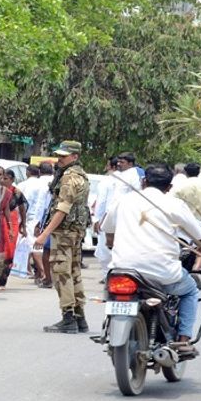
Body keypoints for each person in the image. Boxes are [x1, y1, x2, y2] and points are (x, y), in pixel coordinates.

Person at [102, 164, 201, 354]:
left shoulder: (123, 201)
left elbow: (108, 234)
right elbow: (198, 236)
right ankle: (184, 340)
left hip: (122, 270)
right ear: (169, 187)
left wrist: (113, 244)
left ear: (144, 182)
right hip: (162, 273)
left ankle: (108, 330)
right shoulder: (175, 204)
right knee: (190, 291)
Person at [34, 141, 91, 334]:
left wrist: (44, 235)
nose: (59, 159)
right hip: (74, 232)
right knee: (74, 272)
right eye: (59, 156)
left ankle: (68, 317)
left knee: (61, 273)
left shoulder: (68, 177)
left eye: (63, 156)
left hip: (64, 232)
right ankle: (79, 317)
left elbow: (62, 208)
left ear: (74, 157)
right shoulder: (80, 175)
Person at [0, 168, 27, 288]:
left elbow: (22, 208)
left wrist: (23, 226)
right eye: (2, 178)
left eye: (6, 178)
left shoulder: (16, 192)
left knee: (9, 250)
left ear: (12, 180)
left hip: (11, 221)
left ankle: (3, 278)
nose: (3, 180)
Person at [92, 156, 118, 281]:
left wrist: (97, 219)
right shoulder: (130, 181)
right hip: (122, 219)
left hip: (107, 218)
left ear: (111, 167)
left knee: (105, 246)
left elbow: (101, 202)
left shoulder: (106, 181)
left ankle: (107, 274)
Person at [32, 162, 54, 287]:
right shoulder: (56, 181)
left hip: (47, 218)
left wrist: (38, 223)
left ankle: (46, 277)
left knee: (43, 249)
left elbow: (41, 205)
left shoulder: (42, 184)